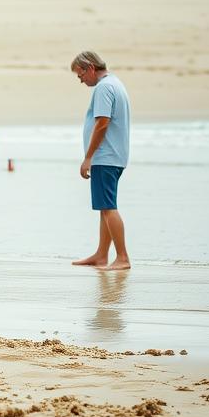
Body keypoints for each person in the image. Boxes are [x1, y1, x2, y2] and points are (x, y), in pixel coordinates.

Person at [70, 51, 132, 271]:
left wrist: (88, 158)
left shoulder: (104, 87)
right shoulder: (115, 83)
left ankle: (122, 257)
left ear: (90, 68)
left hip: (105, 157)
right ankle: (101, 255)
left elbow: (102, 124)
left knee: (108, 207)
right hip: (114, 156)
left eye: (80, 75)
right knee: (104, 207)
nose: (81, 80)